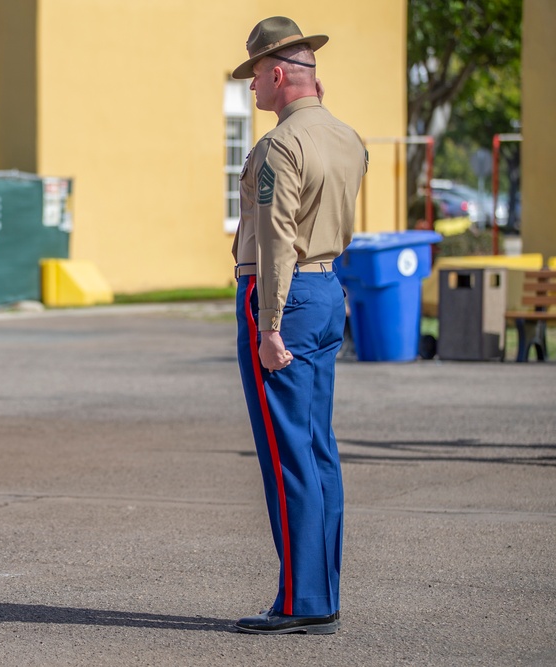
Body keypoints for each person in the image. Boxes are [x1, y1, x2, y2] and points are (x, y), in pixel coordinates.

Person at [229, 17, 367, 634]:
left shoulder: (280, 147)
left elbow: (278, 239)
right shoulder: (347, 137)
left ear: (279, 73)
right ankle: (321, 590)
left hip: (281, 295)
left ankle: (300, 601)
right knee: (317, 449)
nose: (252, 88)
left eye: (255, 75)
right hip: (327, 286)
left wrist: (268, 325)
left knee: (288, 455)